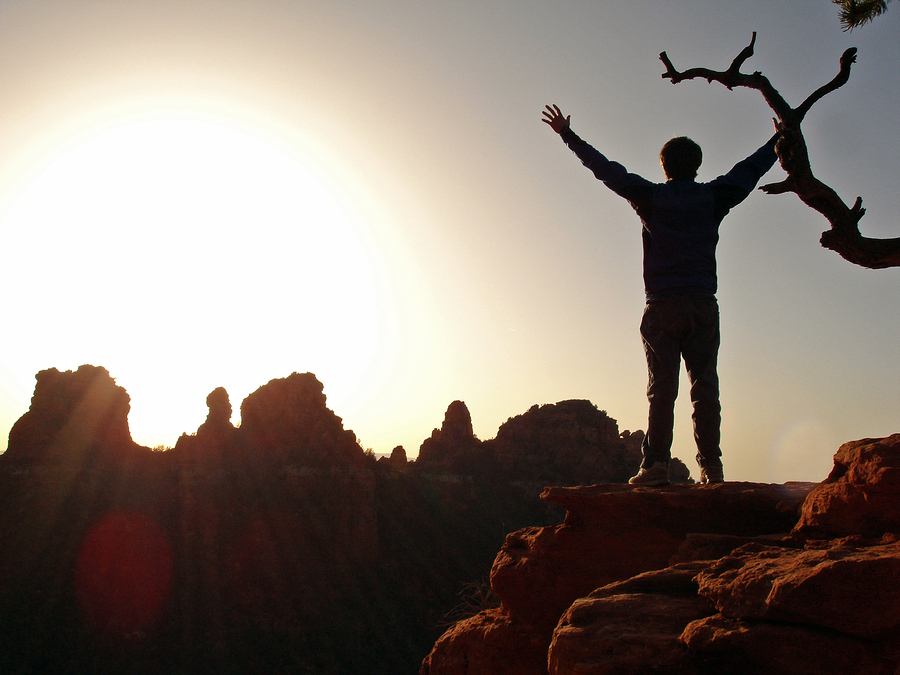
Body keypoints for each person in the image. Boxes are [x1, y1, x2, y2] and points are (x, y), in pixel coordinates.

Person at [542, 104, 780, 486]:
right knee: (705, 387)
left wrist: (568, 136)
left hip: (663, 306)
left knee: (662, 389)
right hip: (702, 304)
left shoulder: (650, 198)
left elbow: (607, 170)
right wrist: (779, 139)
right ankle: (712, 468)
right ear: (697, 166)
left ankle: (655, 467)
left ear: (665, 166)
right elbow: (750, 169)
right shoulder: (715, 196)